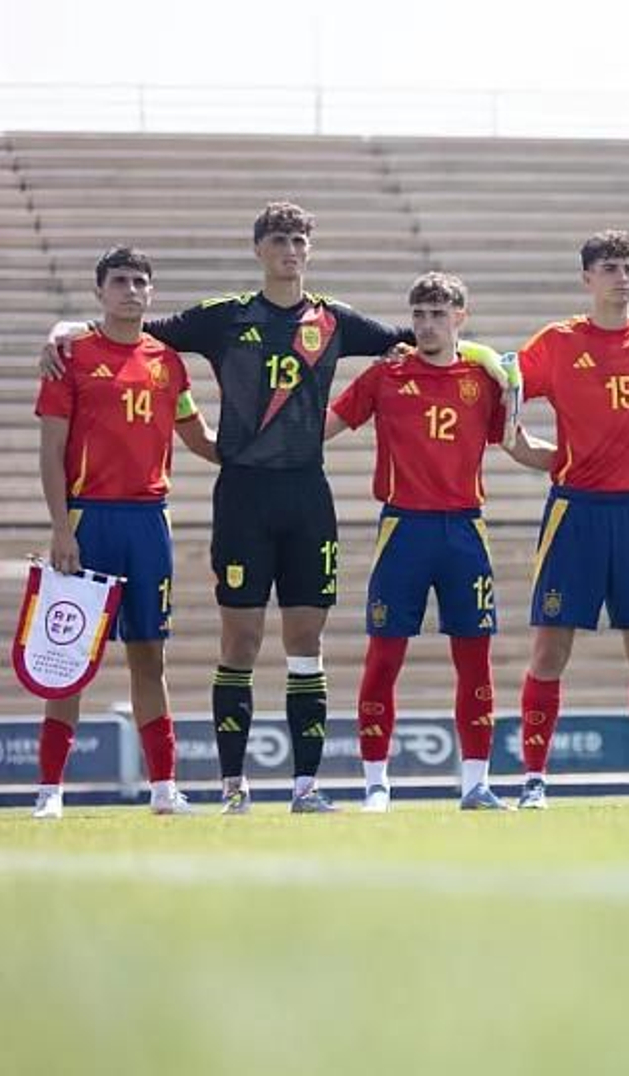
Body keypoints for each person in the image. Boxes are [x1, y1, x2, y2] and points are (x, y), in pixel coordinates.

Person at [41, 202, 443, 813]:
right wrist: (64, 328)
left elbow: (419, 339)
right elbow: (134, 327)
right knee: (242, 639)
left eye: (299, 240)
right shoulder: (224, 317)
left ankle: (305, 787)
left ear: (310, 250)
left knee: (306, 639)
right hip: (242, 496)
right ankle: (234, 786)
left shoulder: (333, 320)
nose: (290, 250)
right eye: (279, 240)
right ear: (258, 250)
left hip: (307, 496)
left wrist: (486, 361)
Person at [326, 272, 557, 813]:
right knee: (384, 658)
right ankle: (376, 785)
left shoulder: (485, 380)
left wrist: (579, 460)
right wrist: (263, 442)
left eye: (438, 314)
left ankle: (475, 783)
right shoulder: (385, 375)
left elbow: (517, 444)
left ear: (460, 318)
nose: (427, 325)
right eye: (419, 314)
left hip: (464, 532)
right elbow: (324, 425)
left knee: (474, 660)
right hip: (402, 529)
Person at [512, 230, 629, 808]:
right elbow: (503, 387)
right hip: (574, 512)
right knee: (551, 649)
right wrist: (533, 450)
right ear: (587, 278)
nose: (622, 278)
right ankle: (533, 781)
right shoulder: (558, 342)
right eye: (611, 268)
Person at [32, 247, 219, 819]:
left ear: (151, 292)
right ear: (100, 291)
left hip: (149, 522)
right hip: (88, 519)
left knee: (149, 656)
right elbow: (51, 450)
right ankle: (49, 792)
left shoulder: (168, 362)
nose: (131, 290)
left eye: (140, 282)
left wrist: (263, 454)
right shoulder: (72, 354)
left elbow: (199, 437)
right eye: (120, 281)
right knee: (66, 659)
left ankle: (163, 789)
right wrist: (61, 528)